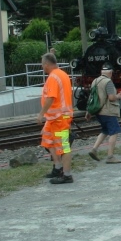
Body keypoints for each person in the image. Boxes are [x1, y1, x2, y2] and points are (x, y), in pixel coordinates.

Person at [39, 52, 74, 184]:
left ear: (47, 65)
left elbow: (51, 97)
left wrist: (41, 113)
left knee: (63, 146)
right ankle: (58, 167)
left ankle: (66, 175)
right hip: (55, 118)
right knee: (47, 139)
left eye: (43, 65)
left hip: (60, 118)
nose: (42, 67)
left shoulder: (53, 77)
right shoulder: (62, 74)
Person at [87, 63, 121, 164]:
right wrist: (118, 96)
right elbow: (111, 98)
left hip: (98, 112)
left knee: (105, 131)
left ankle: (94, 149)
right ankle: (110, 156)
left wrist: (88, 111)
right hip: (108, 111)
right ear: (111, 73)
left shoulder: (95, 81)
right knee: (114, 132)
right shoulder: (108, 82)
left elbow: (92, 97)